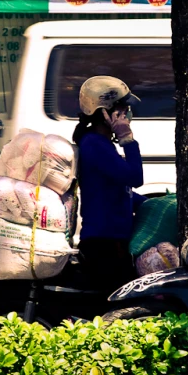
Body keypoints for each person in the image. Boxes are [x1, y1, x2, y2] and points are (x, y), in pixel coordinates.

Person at [73, 76, 146, 291]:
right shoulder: (94, 145)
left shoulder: (101, 143)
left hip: (112, 240)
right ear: (105, 112)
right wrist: (128, 140)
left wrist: (152, 203)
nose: (127, 115)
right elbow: (135, 178)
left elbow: (118, 188)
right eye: (122, 109)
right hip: (104, 243)